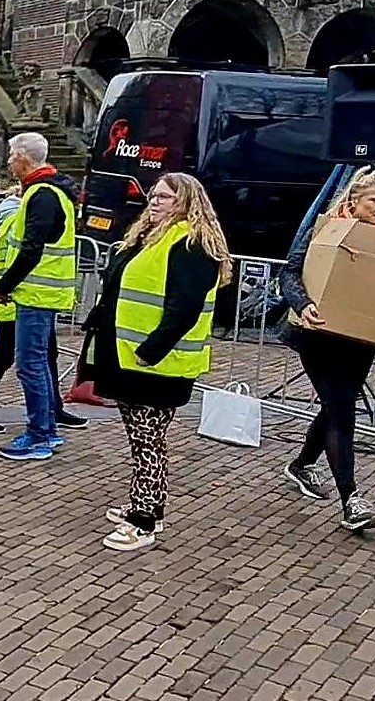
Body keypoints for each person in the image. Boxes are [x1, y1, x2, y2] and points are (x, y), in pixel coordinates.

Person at [86, 173, 230, 551]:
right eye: (154, 195)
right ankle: (148, 503)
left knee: (149, 439)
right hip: (129, 356)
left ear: (187, 203)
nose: (155, 201)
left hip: (156, 362)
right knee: (141, 438)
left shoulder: (190, 243)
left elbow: (184, 307)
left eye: (166, 197)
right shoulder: (149, 238)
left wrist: (151, 349)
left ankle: (144, 518)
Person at [279, 167, 375, 532]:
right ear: (354, 200)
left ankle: (301, 464)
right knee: (342, 410)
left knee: (337, 406)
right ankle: (352, 500)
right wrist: (303, 304)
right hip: (318, 336)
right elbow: (290, 271)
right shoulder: (325, 230)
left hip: (358, 341)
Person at [0, 186, 89, 434]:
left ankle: (54, 408)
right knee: (5, 356)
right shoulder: (16, 221)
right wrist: (5, 290)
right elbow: (13, 259)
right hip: (14, 300)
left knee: (47, 353)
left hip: (26, 297)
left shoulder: (19, 218)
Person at [0, 132, 81, 462]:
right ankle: (47, 429)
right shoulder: (52, 191)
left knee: (30, 364)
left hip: (38, 293)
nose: (9, 161)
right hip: (44, 292)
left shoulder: (42, 194)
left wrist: (4, 286)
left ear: (24, 157)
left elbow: (31, 250)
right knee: (38, 362)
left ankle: (39, 435)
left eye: (12, 155)